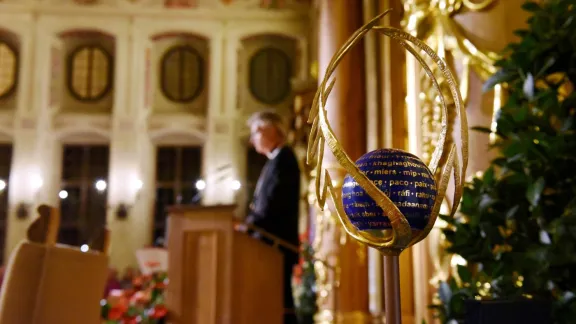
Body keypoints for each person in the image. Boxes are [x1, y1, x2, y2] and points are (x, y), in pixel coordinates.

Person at [242, 110, 300, 324]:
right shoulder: (274, 161)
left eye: (257, 131)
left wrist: (247, 227)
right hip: (268, 247)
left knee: (281, 304)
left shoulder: (285, 159)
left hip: (277, 246)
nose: (253, 138)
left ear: (275, 131)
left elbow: (273, 205)